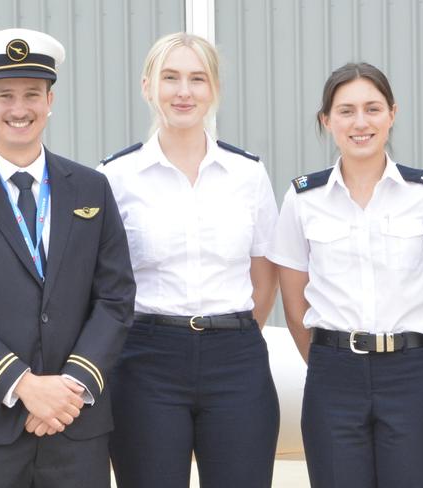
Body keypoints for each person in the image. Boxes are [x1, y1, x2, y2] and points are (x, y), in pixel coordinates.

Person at [0, 28, 136, 488]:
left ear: (50, 100)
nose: (19, 108)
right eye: (4, 95)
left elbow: (115, 297)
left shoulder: (91, 188)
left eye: (32, 94)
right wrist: (25, 387)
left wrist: (69, 389)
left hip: (76, 429)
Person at [98, 32, 280, 488]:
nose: (184, 91)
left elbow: (264, 270)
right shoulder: (115, 178)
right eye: (170, 77)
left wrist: (232, 335)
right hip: (146, 360)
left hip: (236, 357)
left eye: (197, 79)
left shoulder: (247, 173)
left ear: (214, 89)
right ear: (147, 87)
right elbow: (103, 282)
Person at [267, 62, 423, 488]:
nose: (360, 122)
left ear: (392, 114)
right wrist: (331, 361)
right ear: (327, 120)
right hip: (333, 376)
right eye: (346, 110)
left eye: (372, 109)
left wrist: (421, 360)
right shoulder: (302, 199)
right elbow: (296, 309)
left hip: (412, 374)